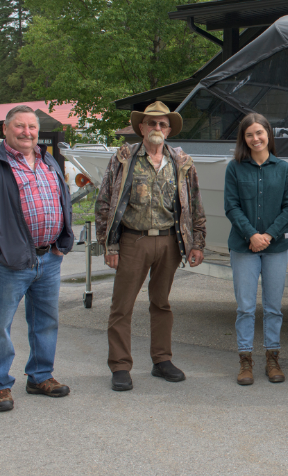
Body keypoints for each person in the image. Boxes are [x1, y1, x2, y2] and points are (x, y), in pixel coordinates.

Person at [0, 105, 74, 412]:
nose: (27, 132)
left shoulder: (47, 159)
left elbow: (62, 198)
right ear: (6, 129)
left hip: (48, 259)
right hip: (10, 262)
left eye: (32, 127)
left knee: (46, 321)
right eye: (20, 127)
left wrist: (63, 239)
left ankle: (40, 376)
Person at [95, 101, 206, 392]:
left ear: (169, 130)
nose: (157, 128)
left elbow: (194, 203)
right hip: (133, 240)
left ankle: (162, 360)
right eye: (152, 123)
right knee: (122, 306)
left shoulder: (182, 162)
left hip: (170, 241)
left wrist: (197, 242)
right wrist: (109, 245)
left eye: (162, 124)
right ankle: (120, 366)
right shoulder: (123, 158)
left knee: (162, 303)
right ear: (141, 127)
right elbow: (105, 201)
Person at [224, 113, 288, 386]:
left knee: (273, 307)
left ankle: (272, 358)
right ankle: (245, 360)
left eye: (260, 132)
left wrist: (267, 235)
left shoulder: (284, 169)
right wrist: (252, 235)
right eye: (249, 134)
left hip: (276, 247)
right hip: (243, 247)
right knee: (244, 307)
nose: (256, 138)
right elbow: (231, 206)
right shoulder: (235, 168)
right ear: (244, 139)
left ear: (269, 133)